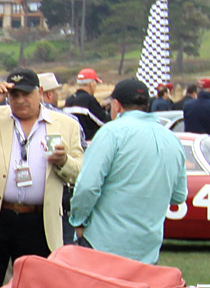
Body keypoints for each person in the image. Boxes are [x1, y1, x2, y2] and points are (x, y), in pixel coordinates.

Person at [0, 67, 84, 288]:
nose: (20, 100)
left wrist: (63, 161)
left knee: (36, 287)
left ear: (40, 92)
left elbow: (80, 172)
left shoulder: (66, 125)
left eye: (26, 94)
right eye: (14, 95)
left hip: (39, 219)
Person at [68, 78, 189, 264]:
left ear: (116, 105)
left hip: (103, 247)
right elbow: (179, 195)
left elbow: (88, 187)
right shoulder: (172, 139)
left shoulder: (111, 133)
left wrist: (78, 221)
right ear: (147, 104)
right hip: (148, 249)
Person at [63, 69, 109, 143]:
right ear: (91, 84)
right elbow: (105, 122)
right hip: (89, 144)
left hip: (73, 143)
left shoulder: (69, 101)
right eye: (95, 83)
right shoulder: (89, 100)